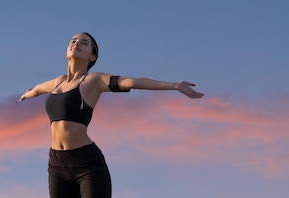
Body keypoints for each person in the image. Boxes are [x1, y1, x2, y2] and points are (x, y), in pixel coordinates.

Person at [18, 32, 204, 198]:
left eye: (84, 42)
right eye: (73, 41)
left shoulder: (93, 81)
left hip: (87, 164)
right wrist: (28, 93)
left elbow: (132, 82)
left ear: (92, 56)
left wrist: (174, 85)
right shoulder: (57, 83)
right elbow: (38, 89)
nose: (76, 43)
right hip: (57, 165)